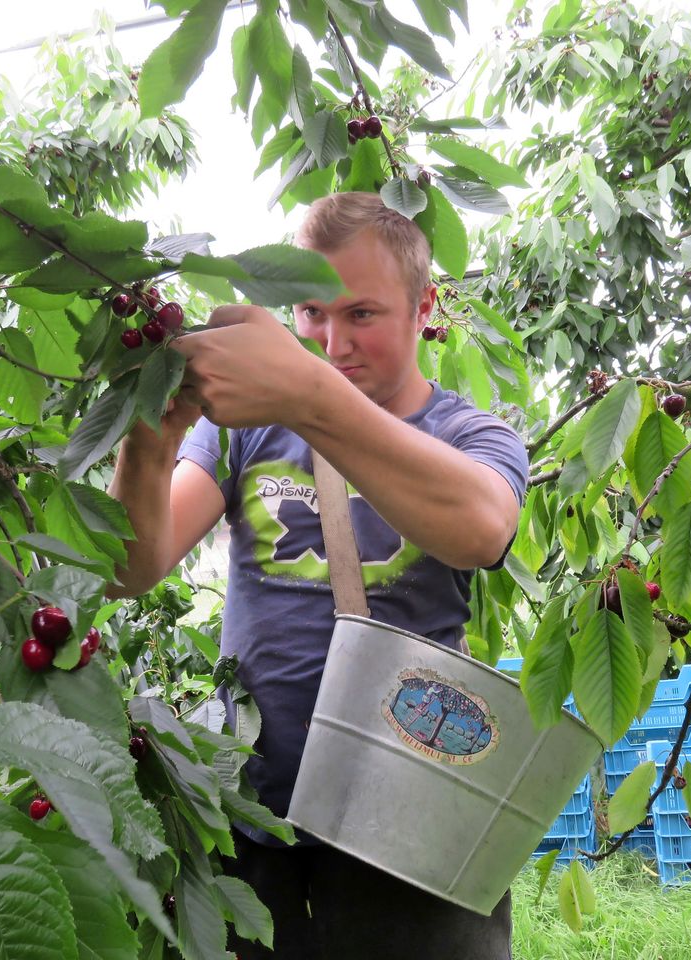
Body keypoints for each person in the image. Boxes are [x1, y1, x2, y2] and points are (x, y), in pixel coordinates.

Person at [107, 191, 529, 959]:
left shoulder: (470, 435)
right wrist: (147, 440)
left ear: (424, 306)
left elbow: (481, 529)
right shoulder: (242, 434)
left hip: (411, 831)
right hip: (253, 817)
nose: (333, 344)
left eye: (361, 314)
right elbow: (134, 567)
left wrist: (305, 394)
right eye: (310, 314)